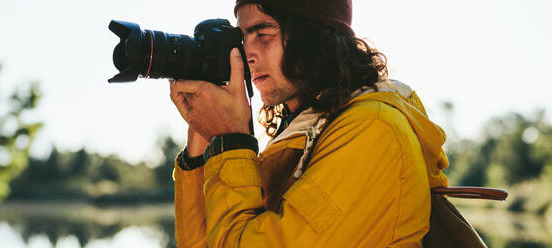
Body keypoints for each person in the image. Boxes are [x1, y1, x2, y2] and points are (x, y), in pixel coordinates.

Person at [169, 0, 449, 247]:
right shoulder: (303, 134)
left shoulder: (374, 131)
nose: (247, 54)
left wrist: (231, 138)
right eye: (241, 39)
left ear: (315, 37)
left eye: (263, 34)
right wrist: (203, 136)